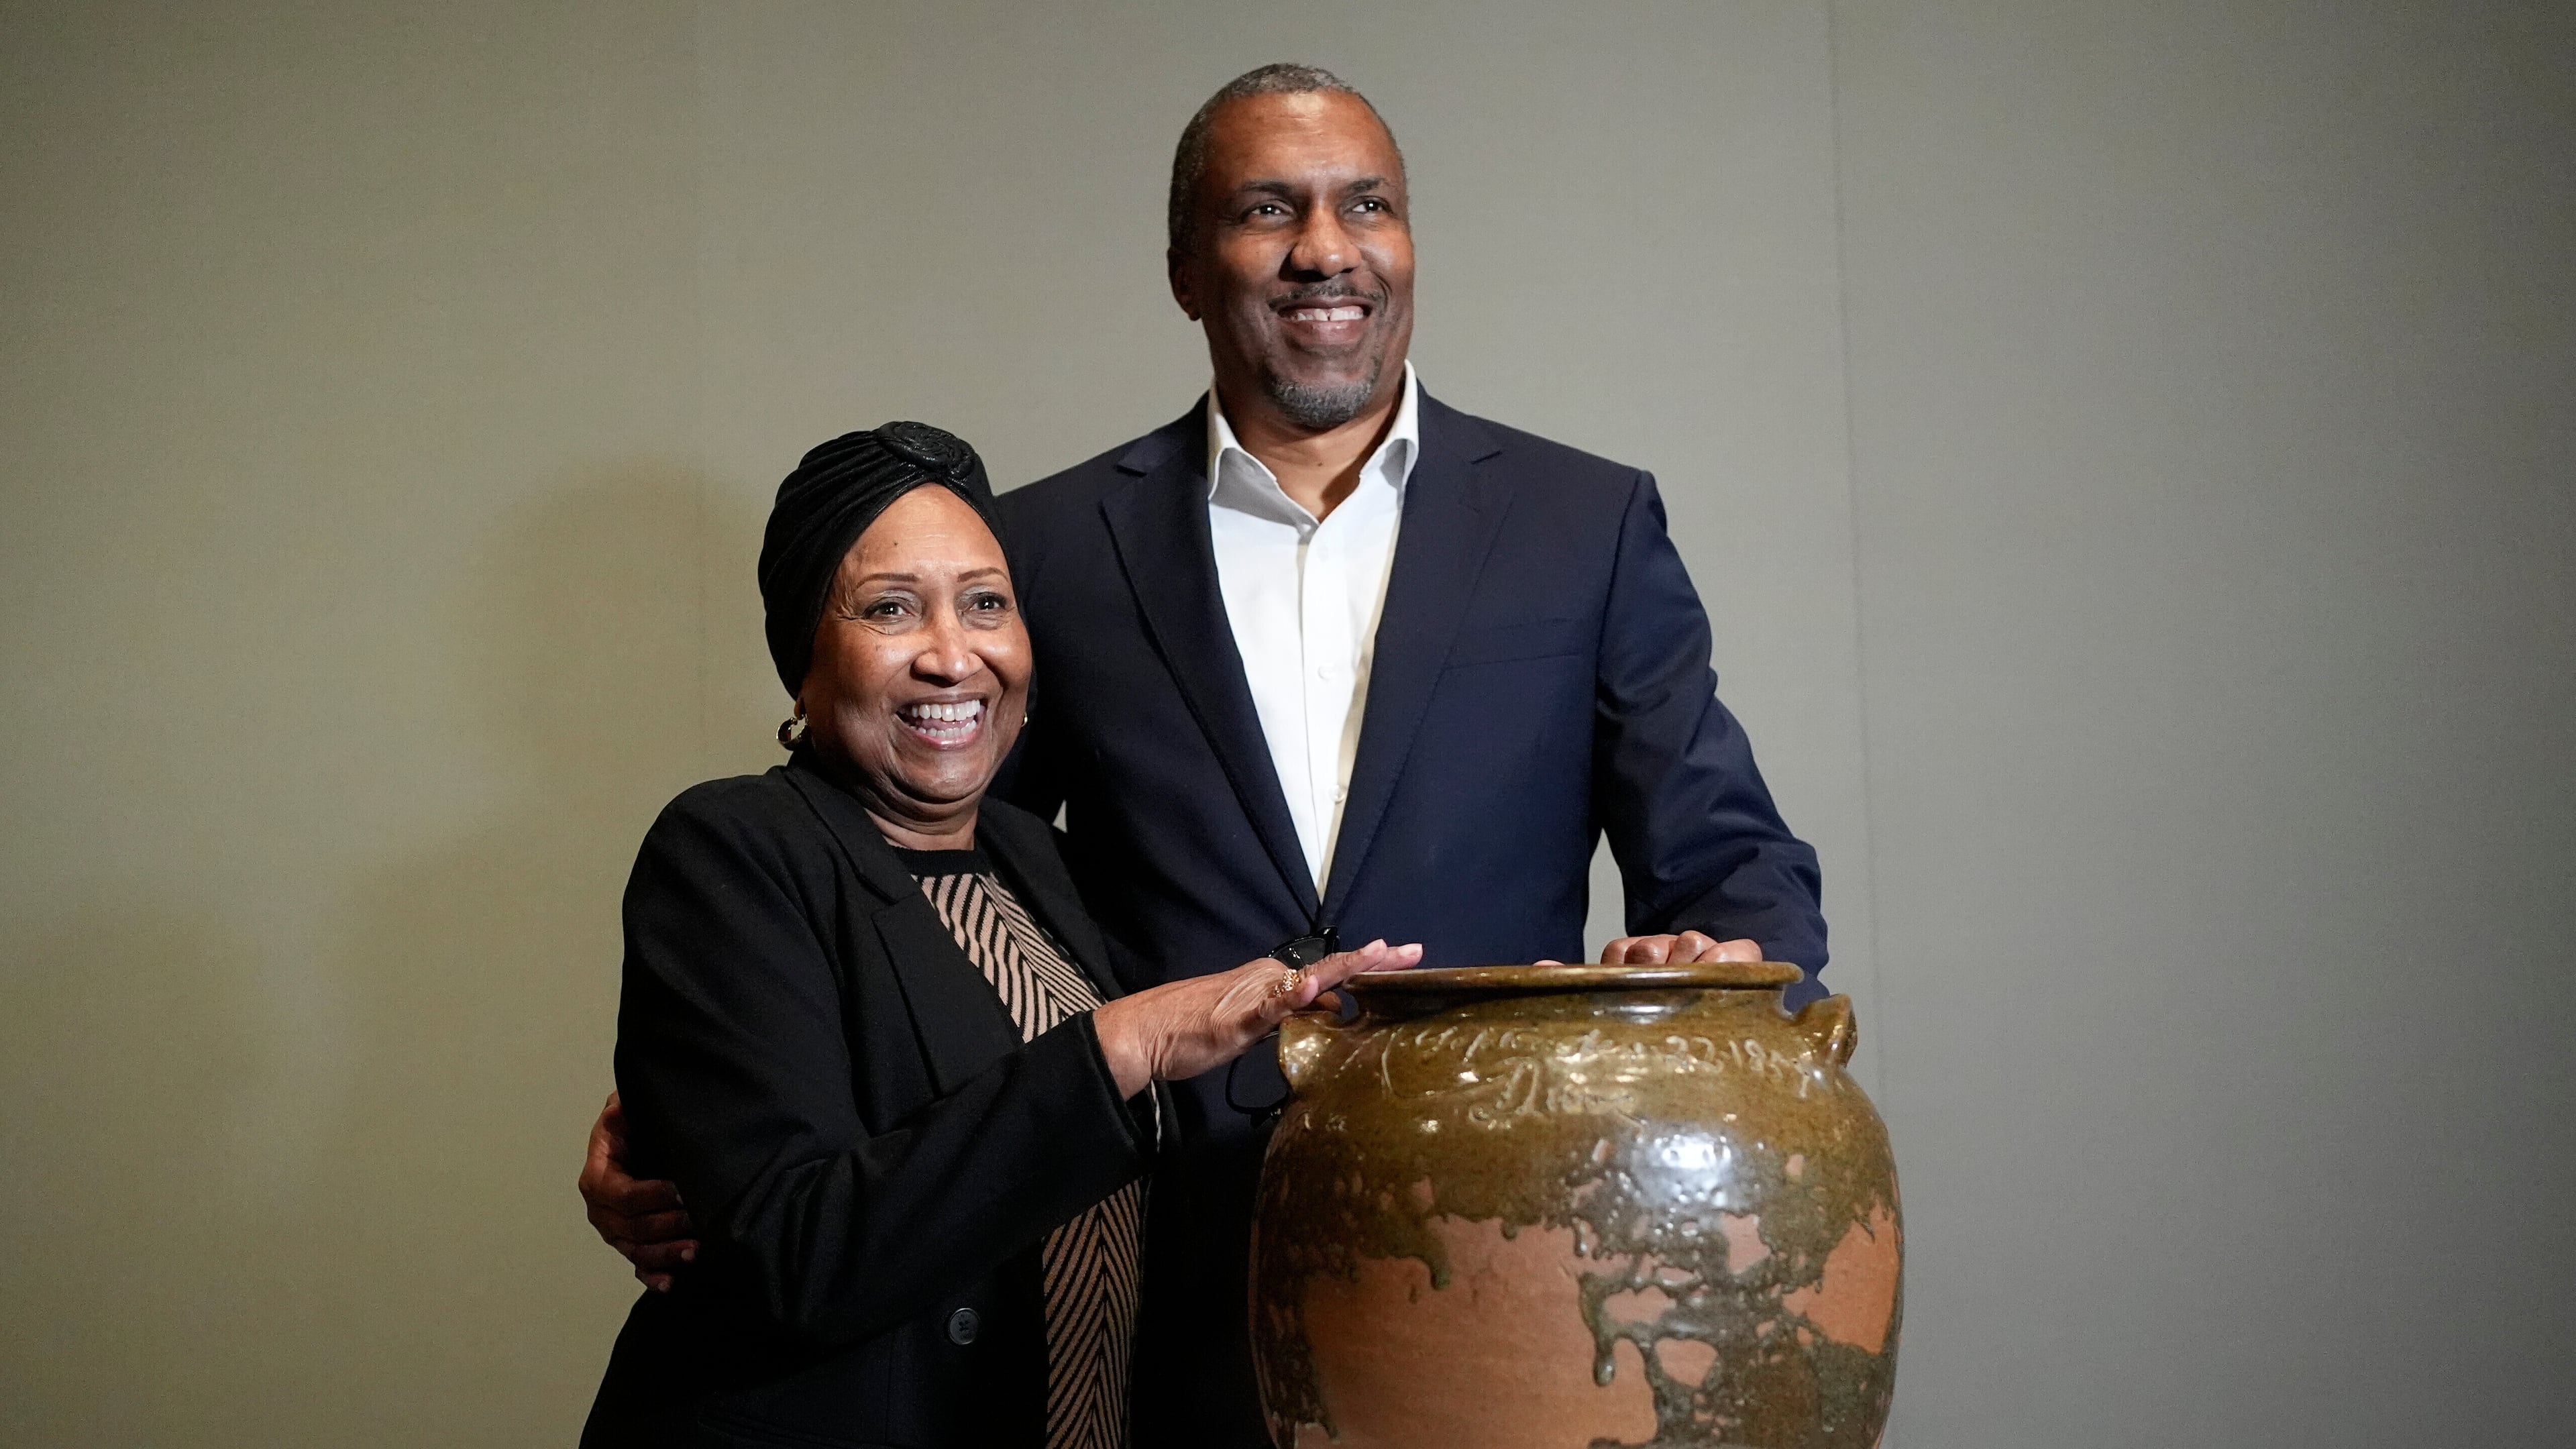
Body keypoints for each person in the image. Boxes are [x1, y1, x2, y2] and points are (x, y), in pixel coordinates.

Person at [585, 65, 1829, 1446]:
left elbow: (1730, 862)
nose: (1326, 248)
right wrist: (705, 1119)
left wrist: (1727, 981)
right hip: (1150, 1290)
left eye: (1369, 205)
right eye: (1266, 210)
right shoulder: (1046, 554)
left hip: (1507, 1263)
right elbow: (922, 863)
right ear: (1186, 269)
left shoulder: (1579, 523)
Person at [580, 421, 1417, 1448]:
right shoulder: (734, 850)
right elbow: (795, 1256)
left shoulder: (1040, 862)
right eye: (891, 609)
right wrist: (1121, 1046)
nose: (952, 655)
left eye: (987, 604)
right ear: (803, 661)